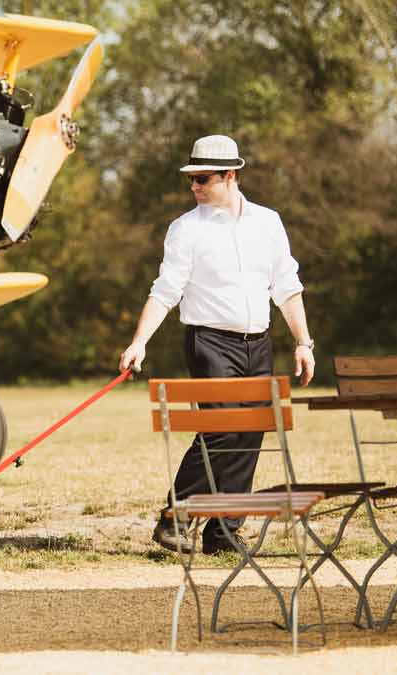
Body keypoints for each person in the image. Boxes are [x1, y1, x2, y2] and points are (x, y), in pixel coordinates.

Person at [119, 134, 315, 555]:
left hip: (258, 342)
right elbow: (166, 290)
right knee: (222, 427)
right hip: (209, 342)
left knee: (250, 434)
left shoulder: (268, 222)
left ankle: (224, 530)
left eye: (202, 178)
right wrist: (140, 342)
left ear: (231, 176)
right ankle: (176, 518)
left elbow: (286, 286)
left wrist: (304, 342)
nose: (194, 187)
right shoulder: (185, 229)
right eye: (191, 179)